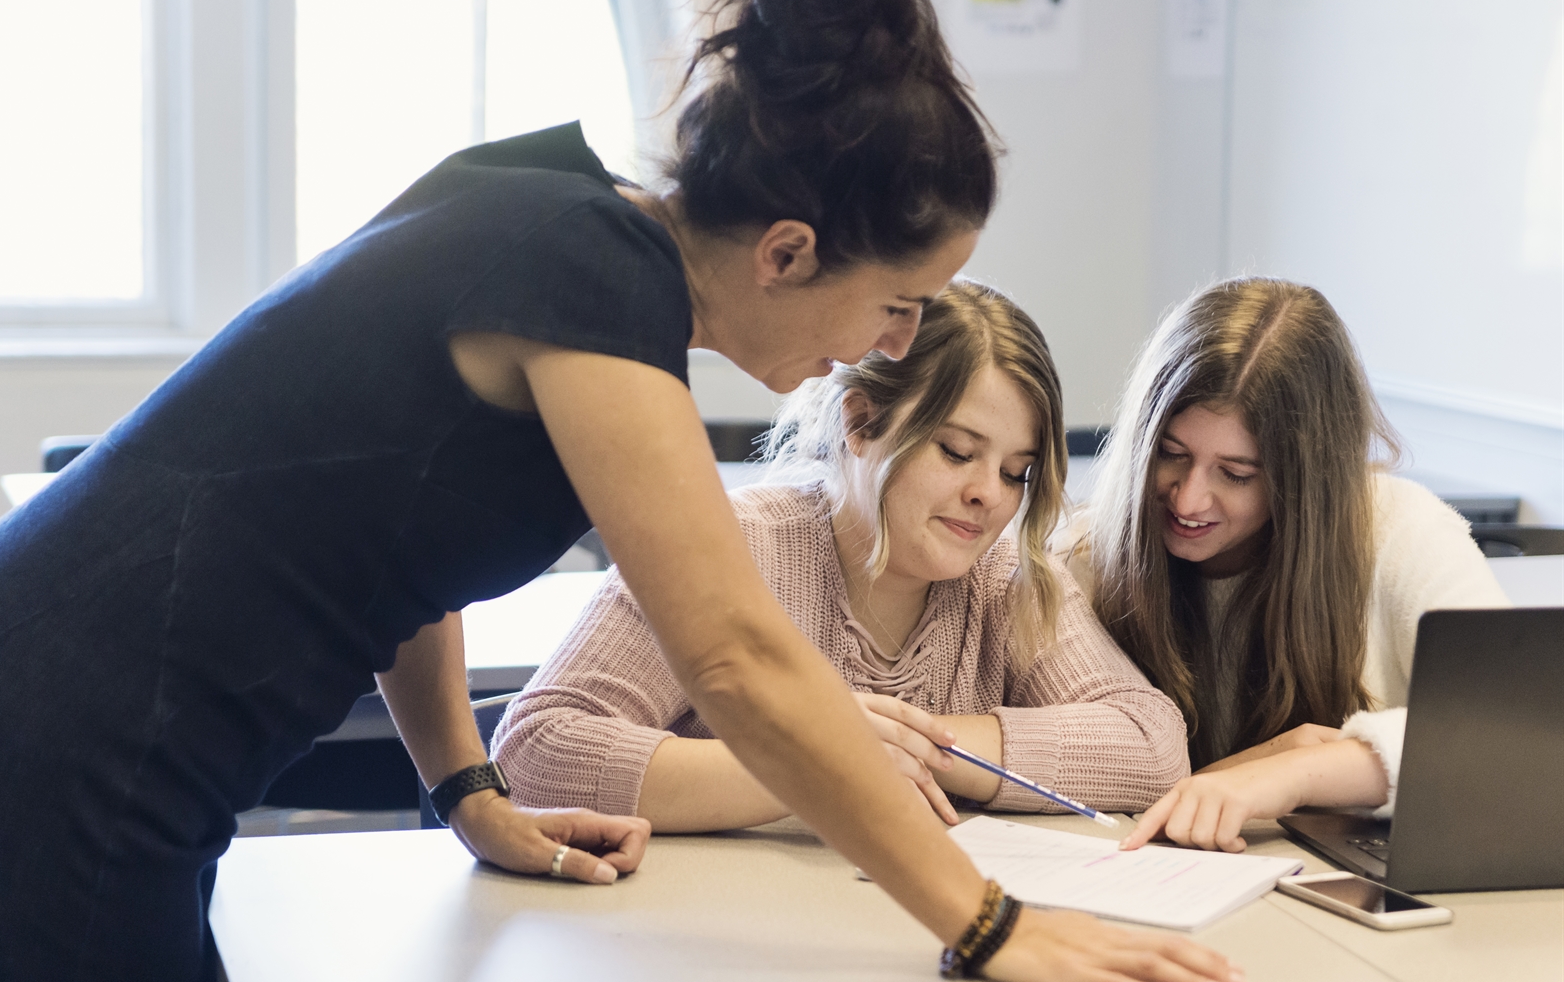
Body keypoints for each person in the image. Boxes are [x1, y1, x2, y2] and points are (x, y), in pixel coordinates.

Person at [0, 0, 1241, 982]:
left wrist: (465, 791)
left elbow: (402, 552)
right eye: (897, 304)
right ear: (786, 251)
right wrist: (988, 922)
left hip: (75, 727)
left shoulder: (533, 205)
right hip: (60, 746)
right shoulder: (593, 279)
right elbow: (737, 659)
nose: (895, 345)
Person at [493, 281, 1189, 831]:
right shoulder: (735, 546)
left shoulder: (1006, 578)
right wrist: (817, 760)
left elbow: (1152, 746)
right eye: (956, 452)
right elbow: (535, 750)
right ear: (860, 422)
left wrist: (907, 746)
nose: (989, 495)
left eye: (1016, 472)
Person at [1052, 277, 1509, 854]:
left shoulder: (1402, 530)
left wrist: (1300, 774)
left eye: (1236, 474)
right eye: (1170, 454)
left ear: (1307, 479)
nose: (1188, 499)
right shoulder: (1087, 556)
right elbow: (1063, 771)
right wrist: (1255, 765)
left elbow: (1518, 728)